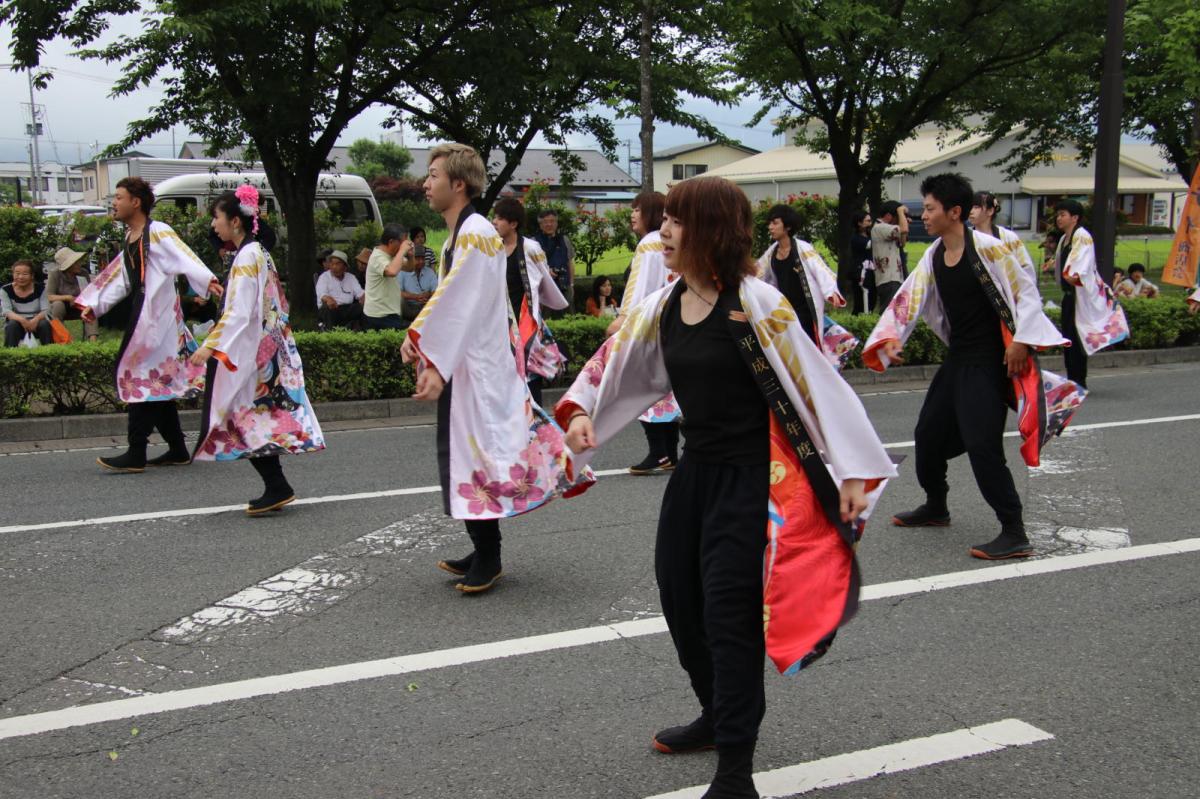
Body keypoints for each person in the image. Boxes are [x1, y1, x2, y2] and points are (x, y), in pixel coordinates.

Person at [556, 176, 896, 799]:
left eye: (677, 222)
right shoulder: (665, 303)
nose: (663, 231)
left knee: (728, 616)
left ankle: (736, 771)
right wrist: (582, 412)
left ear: (709, 230)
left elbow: (817, 383)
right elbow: (617, 362)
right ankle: (715, 713)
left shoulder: (756, 303)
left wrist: (851, 468)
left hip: (752, 482)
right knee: (679, 599)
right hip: (695, 475)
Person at [864, 173, 1084, 561]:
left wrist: (1020, 341)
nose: (923, 216)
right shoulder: (934, 254)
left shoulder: (989, 249)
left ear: (955, 211)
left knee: (983, 445)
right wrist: (891, 336)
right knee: (927, 435)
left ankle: (1014, 531)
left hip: (989, 362)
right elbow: (908, 298)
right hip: (959, 359)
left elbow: (1026, 293)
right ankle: (937, 506)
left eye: (930, 209)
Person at [400, 143, 582, 594]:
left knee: (479, 455)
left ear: (458, 184)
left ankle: (490, 554)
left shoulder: (476, 231)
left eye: (435, 175)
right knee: (473, 456)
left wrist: (429, 348)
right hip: (474, 364)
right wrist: (429, 344)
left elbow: (462, 299)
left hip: (480, 369)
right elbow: (457, 298)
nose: (427, 183)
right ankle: (484, 548)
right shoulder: (466, 232)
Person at [190, 187, 325, 514]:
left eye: (217, 218)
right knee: (255, 417)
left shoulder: (248, 255)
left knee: (246, 416)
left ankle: (277, 486)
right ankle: (276, 485)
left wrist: (210, 346)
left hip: (256, 355)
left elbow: (240, 311)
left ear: (235, 221)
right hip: (262, 350)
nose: (213, 225)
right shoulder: (253, 252)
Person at [75, 176, 222, 473]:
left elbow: (184, 257)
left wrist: (208, 280)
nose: (114, 203)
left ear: (136, 202)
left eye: (118, 197)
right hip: (147, 314)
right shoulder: (132, 236)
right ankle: (178, 449)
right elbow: (121, 277)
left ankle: (136, 451)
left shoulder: (157, 231)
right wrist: (95, 304)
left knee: (140, 377)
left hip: (159, 318)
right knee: (156, 380)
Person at [608, 190, 681, 475]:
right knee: (669, 392)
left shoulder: (648, 244)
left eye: (637, 209)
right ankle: (669, 453)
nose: (632, 214)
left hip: (649, 328)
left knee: (643, 388)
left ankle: (658, 452)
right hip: (673, 325)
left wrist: (623, 320)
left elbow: (637, 288)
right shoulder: (666, 243)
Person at [492, 197, 569, 406]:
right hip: (502, 325)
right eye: (494, 217)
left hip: (527, 323)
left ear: (513, 224)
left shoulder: (530, 248)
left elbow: (543, 282)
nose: (494, 222)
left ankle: (535, 429)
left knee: (530, 377)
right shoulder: (492, 250)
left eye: (499, 218)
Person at [756, 203, 849, 363]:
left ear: (788, 227)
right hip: (786, 311)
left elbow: (821, 271)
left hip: (805, 310)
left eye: (775, 223)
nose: (770, 227)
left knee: (810, 350)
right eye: (770, 223)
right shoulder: (771, 253)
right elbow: (757, 275)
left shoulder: (803, 249)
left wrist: (831, 292)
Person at [1052, 199, 1129, 388]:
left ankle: (1078, 380)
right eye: (1058, 214)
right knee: (1068, 338)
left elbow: (1081, 263)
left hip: (1082, 297)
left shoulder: (1082, 236)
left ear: (1075, 217)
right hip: (1071, 296)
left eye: (1063, 214)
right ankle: (1072, 378)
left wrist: (1072, 274)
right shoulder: (1064, 239)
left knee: (1078, 338)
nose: (1058, 218)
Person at [969, 191, 1037, 281]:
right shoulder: (964, 238)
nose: (970, 211)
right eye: (970, 207)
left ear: (990, 211)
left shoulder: (1009, 238)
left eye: (976, 207)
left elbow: (1025, 268)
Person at [363, 223, 414, 330]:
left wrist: (410, 256)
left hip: (389, 313)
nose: (405, 245)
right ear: (391, 242)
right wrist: (402, 251)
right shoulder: (378, 256)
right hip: (379, 315)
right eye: (402, 242)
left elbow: (410, 268)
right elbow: (392, 271)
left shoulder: (393, 256)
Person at [47, 247, 100, 341]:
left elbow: (89, 294)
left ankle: (93, 343)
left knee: (90, 307)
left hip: (78, 307)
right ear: (68, 265)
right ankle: (64, 340)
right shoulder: (55, 274)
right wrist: (68, 298)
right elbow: (49, 296)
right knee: (57, 305)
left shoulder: (83, 273)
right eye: (76, 263)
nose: (80, 264)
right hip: (61, 308)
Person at [3, 260, 52, 347]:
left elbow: (46, 310)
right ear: (13, 274)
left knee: (44, 324)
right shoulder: (6, 290)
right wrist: (23, 320)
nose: (20, 277)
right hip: (17, 322)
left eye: (25, 274)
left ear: (32, 276)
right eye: (17, 273)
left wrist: (35, 320)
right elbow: (7, 311)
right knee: (12, 325)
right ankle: (9, 354)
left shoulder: (40, 289)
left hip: (37, 321)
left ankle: (50, 353)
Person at [871, 201, 908, 311]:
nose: (899, 220)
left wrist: (902, 215)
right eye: (898, 217)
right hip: (888, 279)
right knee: (889, 314)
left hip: (893, 277)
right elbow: (904, 229)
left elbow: (903, 242)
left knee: (895, 314)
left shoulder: (886, 229)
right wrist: (901, 211)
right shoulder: (880, 227)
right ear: (888, 216)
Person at [534, 209, 575, 308]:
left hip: (564, 285)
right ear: (540, 225)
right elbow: (532, 266)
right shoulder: (534, 242)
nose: (549, 224)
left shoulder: (565, 240)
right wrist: (546, 272)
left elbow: (570, 262)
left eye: (552, 221)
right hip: (544, 288)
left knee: (567, 315)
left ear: (556, 223)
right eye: (545, 222)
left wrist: (571, 283)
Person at [315, 249, 365, 330]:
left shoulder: (351, 277)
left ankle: (366, 334)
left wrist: (364, 297)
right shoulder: (324, 277)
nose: (334, 267)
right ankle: (331, 336)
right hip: (331, 308)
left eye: (338, 264)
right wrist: (328, 299)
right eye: (332, 264)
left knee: (364, 308)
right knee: (328, 309)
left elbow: (359, 292)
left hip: (347, 308)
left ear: (345, 266)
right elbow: (322, 293)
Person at [399, 239, 439, 325]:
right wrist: (415, 297)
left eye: (423, 258)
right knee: (399, 300)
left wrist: (428, 294)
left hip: (425, 307)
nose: (421, 261)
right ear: (411, 258)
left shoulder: (430, 272)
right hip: (408, 307)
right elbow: (398, 292)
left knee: (437, 300)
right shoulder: (402, 272)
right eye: (417, 259)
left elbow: (436, 291)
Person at [848, 211, 872, 315]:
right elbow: (870, 245)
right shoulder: (856, 238)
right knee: (860, 300)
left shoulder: (869, 235)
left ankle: (867, 317)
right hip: (859, 272)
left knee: (871, 298)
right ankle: (858, 320)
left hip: (870, 271)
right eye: (867, 221)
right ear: (859, 223)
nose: (870, 223)